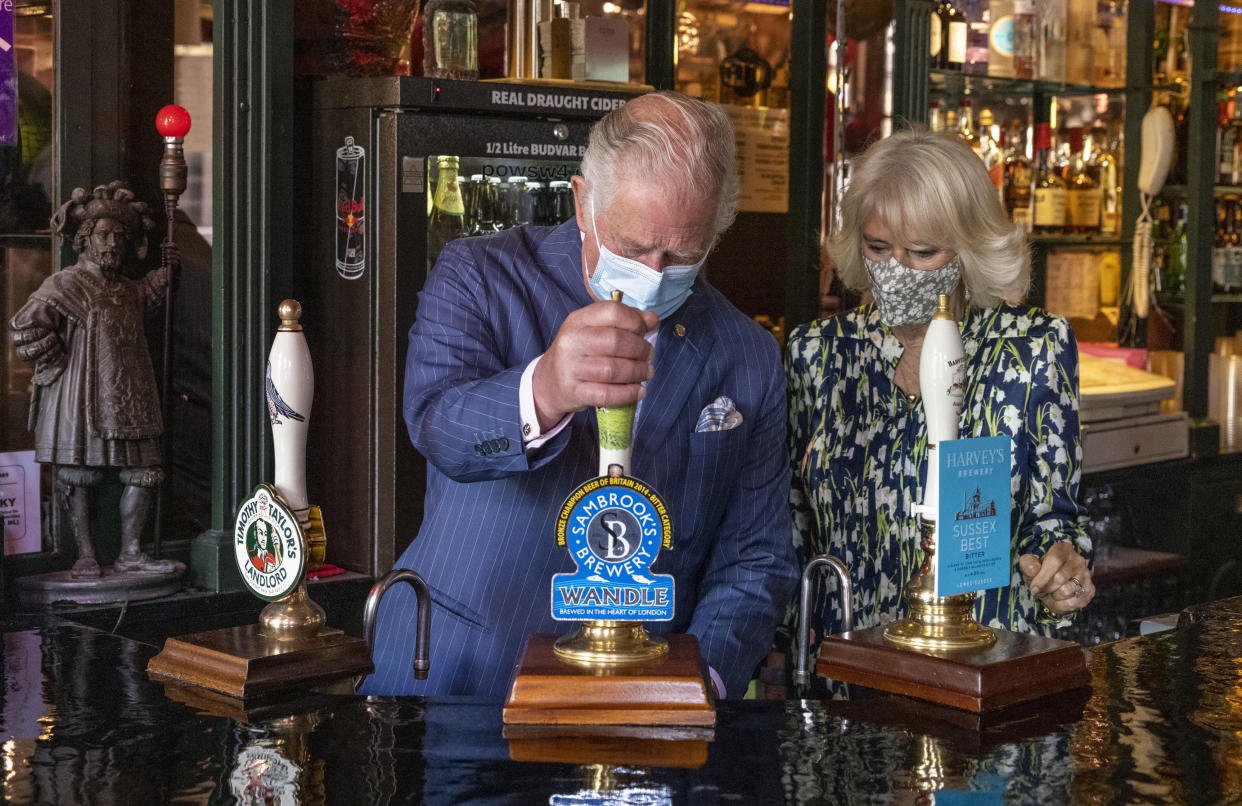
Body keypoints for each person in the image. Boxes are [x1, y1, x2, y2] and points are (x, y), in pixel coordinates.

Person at [364, 91, 799, 699]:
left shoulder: (746, 353)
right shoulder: (481, 275)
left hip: (644, 693)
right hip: (464, 672)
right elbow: (439, 428)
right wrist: (546, 388)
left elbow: (756, 557)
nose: (652, 272)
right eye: (629, 246)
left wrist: (701, 685)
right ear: (582, 201)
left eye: (681, 255)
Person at [786, 127, 1095, 655]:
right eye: (878, 247)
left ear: (970, 248)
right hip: (852, 665)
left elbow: (1052, 515)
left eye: (923, 252)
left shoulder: (1031, 348)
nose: (896, 270)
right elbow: (791, 524)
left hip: (985, 663)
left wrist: (1058, 567)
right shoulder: (818, 354)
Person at [10, 181, 176, 578]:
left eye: (120, 236)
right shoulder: (66, 284)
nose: (113, 243)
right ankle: (85, 552)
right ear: (85, 240)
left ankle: (132, 551)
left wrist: (167, 273)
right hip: (81, 393)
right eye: (104, 234)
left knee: (144, 470)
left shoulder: (126, 288)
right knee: (77, 472)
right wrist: (57, 360)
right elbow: (25, 327)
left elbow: (146, 297)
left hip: (131, 394)